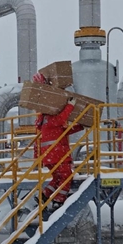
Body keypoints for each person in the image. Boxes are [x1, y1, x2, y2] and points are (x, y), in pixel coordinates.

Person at [32, 72, 84, 210]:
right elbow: (61, 120)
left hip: (48, 156)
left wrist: (80, 127)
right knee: (67, 176)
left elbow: (64, 131)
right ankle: (59, 200)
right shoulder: (51, 119)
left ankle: (44, 194)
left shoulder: (43, 122)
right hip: (57, 154)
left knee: (57, 178)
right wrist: (70, 105)